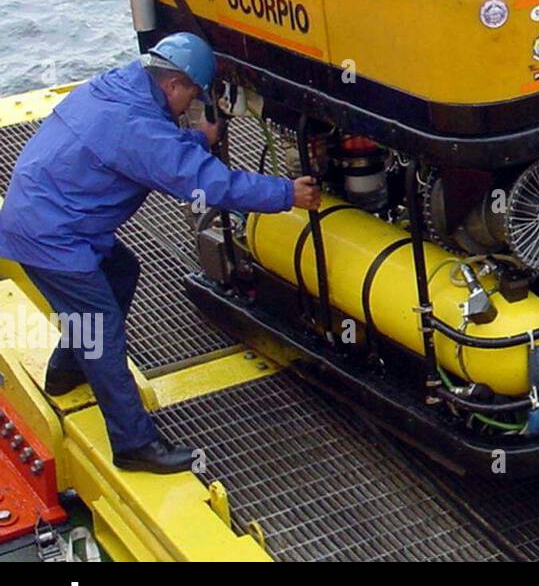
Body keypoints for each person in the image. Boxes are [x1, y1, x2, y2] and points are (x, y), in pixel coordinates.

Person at [0, 33, 320, 474]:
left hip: (49, 215)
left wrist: (196, 141)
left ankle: (65, 370)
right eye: (193, 94)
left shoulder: (119, 85)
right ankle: (134, 444)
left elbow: (148, 148)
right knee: (101, 331)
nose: (193, 105)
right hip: (54, 238)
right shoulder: (138, 126)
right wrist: (287, 193)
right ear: (173, 84)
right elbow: (205, 184)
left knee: (122, 271)